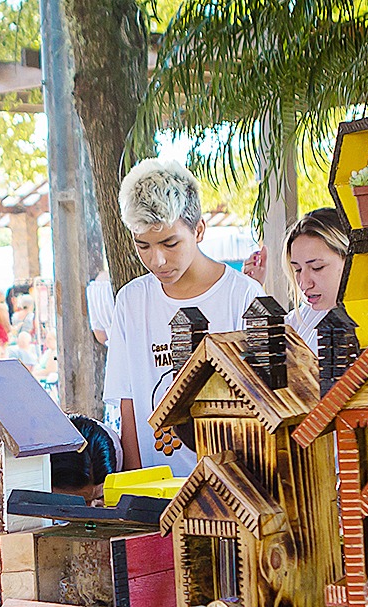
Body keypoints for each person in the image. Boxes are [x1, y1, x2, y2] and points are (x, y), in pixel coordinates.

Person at [103, 158, 265, 475]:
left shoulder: (244, 296)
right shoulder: (132, 301)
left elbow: (262, 405)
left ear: (199, 230)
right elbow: (128, 404)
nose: (157, 259)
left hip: (231, 486)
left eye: (170, 242)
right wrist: (135, 489)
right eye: (143, 245)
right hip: (157, 491)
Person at [282, 208, 351, 359]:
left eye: (317, 268)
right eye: (298, 270)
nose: (304, 284)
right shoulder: (300, 318)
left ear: (350, 260)